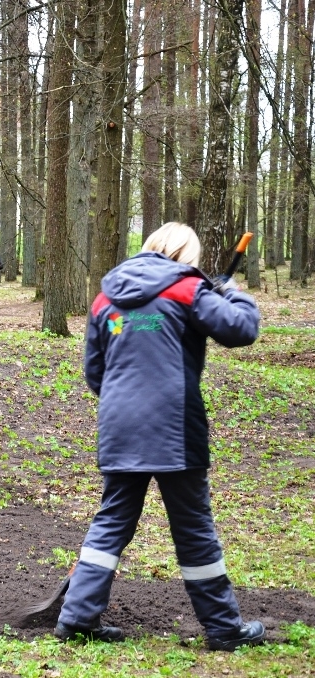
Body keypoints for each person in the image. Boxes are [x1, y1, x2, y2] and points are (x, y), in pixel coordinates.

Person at [55, 222, 264, 651]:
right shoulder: (189, 290)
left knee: (112, 521)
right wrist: (230, 291)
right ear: (185, 254)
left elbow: (96, 372)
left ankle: (77, 617)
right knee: (193, 528)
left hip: (118, 426)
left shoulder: (106, 298)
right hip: (174, 427)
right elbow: (241, 329)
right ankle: (223, 627)